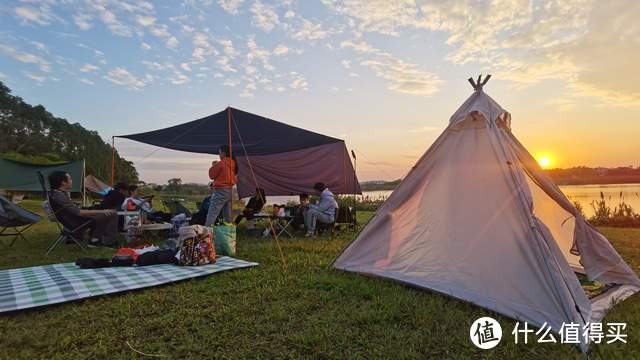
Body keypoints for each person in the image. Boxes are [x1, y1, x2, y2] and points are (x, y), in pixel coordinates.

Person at [48, 171, 118, 247]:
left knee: (102, 213)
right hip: (77, 222)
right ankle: (108, 242)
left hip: (74, 220)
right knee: (112, 213)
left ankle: (94, 240)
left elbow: (72, 209)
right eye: (70, 179)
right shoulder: (59, 196)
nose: (72, 181)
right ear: (63, 183)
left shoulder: (56, 194)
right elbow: (79, 212)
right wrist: (102, 211)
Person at [205, 145, 237, 226]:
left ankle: (207, 236)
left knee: (212, 214)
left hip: (221, 191)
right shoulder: (233, 163)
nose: (219, 155)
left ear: (223, 153)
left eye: (219, 153)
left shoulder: (221, 163)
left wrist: (213, 166)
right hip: (230, 190)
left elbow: (211, 175)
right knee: (228, 216)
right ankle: (229, 235)